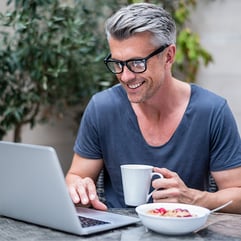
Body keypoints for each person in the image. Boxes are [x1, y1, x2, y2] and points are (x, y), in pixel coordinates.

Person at [65, 3, 241, 213]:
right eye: (117, 63)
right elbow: (75, 176)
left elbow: (237, 193)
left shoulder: (212, 111)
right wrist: (77, 188)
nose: (125, 76)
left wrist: (195, 199)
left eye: (137, 63)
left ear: (168, 56)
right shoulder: (102, 108)